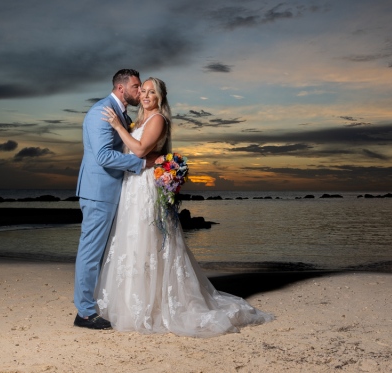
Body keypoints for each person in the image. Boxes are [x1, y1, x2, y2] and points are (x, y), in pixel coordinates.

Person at [95, 77, 273, 337]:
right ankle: (136, 302)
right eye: (142, 91)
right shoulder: (141, 121)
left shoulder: (157, 120)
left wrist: (117, 127)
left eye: (151, 92)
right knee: (133, 238)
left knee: (149, 237)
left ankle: (158, 304)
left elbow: (141, 149)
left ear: (160, 97)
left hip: (145, 185)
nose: (145, 96)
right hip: (132, 184)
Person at [73, 69, 152, 330]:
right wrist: (142, 163)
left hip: (111, 191)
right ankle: (84, 313)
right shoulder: (101, 112)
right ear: (121, 89)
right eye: (136, 87)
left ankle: (96, 304)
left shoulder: (120, 113)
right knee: (91, 252)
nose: (140, 92)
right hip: (98, 192)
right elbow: (104, 157)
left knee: (102, 252)